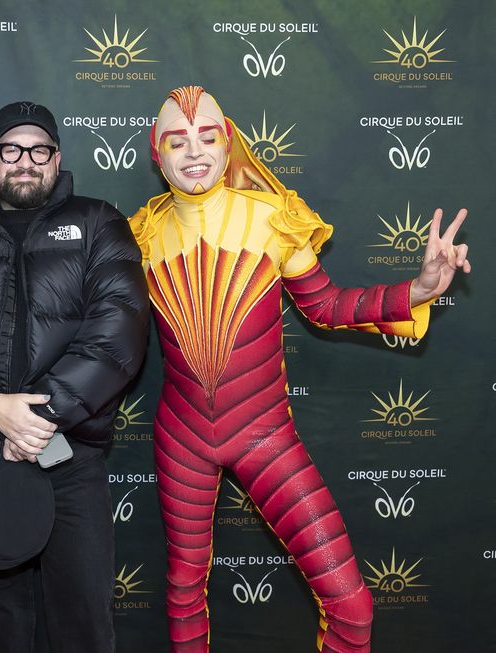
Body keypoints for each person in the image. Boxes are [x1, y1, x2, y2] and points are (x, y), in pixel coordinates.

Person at [130, 85, 470, 653]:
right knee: (184, 590)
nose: (194, 150)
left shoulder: (272, 217)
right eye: (177, 140)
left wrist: (419, 288)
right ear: (155, 152)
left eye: (207, 137)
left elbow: (325, 306)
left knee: (353, 608)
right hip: (180, 438)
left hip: (265, 437)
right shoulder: (141, 233)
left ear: (228, 142)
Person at [0, 101, 150, 653]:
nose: (26, 161)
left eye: (38, 149)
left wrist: (38, 421)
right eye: (11, 149)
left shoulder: (100, 222)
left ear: (56, 158)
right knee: (3, 619)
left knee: (84, 618)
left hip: (68, 455)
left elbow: (119, 329)